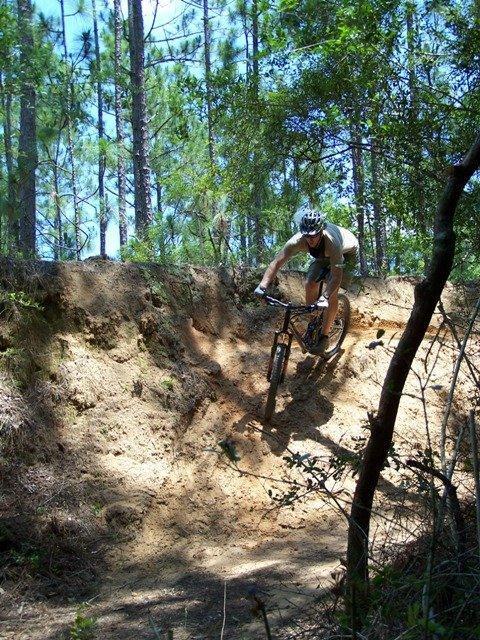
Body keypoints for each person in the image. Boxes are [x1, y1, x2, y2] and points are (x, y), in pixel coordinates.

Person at [254, 207, 359, 353]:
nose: (310, 239)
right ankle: (314, 321)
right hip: (324, 255)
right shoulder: (296, 241)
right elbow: (276, 263)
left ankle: (324, 336)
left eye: (314, 235)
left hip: (347, 253)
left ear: (321, 232)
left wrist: (324, 297)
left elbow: (336, 276)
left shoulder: (332, 242)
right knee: (310, 283)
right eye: (306, 236)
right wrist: (262, 286)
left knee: (332, 291)